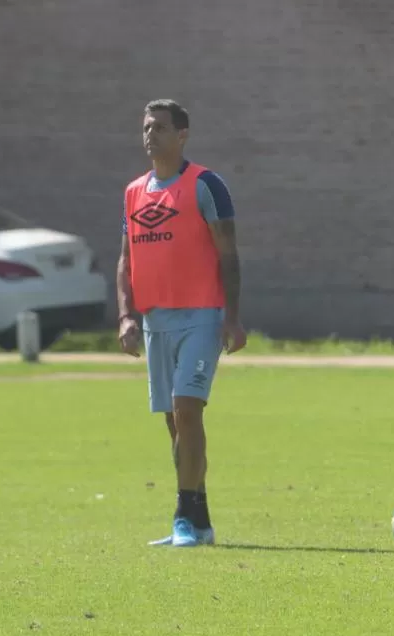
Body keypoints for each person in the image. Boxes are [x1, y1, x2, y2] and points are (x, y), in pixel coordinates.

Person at [115, 99, 247, 547]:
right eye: (147, 127)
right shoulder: (134, 191)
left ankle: (182, 517)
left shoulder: (206, 185)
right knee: (176, 424)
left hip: (202, 315)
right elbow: (126, 259)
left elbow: (228, 255)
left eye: (161, 127)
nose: (151, 135)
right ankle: (200, 519)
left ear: (183, 134)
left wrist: (232, 317)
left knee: (188, 410)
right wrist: (126, 316)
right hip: (156, 321)